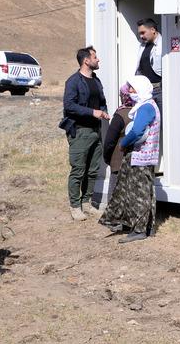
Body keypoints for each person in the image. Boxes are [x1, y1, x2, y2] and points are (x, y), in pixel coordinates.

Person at [101, 75, 160, 244]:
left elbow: (137, 131)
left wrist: (123, 144)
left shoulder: (146, 108)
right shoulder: (150, 106)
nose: (131, 92)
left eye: (133, 89)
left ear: (141, 89)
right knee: (144, 193)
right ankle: (144, 228)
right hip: (146, 156)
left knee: (138, 195)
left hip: (141, 157)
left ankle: (139, 230)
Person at [60, 46, 108, 221]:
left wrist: (103, 111)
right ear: (86, 60)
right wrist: (92, 112)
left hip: (96, 130)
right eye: (95, 57)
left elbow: (101, 101)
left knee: (93, 169)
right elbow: (69, 106)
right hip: (80, 131)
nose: (98, 60)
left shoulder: (96, 81)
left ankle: (87, 203)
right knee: (78, 170)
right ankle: (75, 206)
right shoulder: (73, 81)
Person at [99, 83, 133, 229]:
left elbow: (110, 140)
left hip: (118, 159)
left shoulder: (120, 114)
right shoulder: (140, 111)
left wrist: (107, 157)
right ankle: (127, 220)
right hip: (133, 159)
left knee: (115, 190)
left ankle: (113, 220)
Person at [135, 18, 163, 114]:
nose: (141, 36)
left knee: (162, 121)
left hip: (159, 89)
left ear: (153, 30)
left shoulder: (163, 44)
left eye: (143, 32)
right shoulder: (142, 45)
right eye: (140, 33)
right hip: (145, 91)